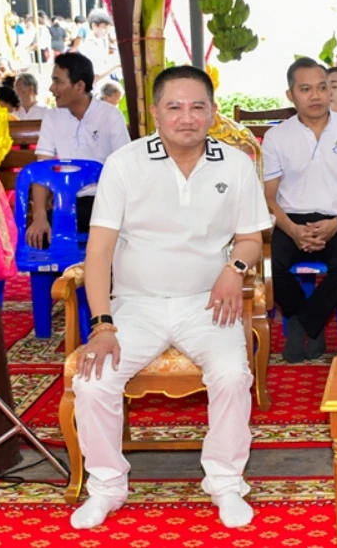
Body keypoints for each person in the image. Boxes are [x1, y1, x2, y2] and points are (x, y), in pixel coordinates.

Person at [70, 65, 271, 531]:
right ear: (155, 113)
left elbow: (250, 240)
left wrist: (233, 269)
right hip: (135, 305)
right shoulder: (125, 163)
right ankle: (106, 485)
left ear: (212, 113)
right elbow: (99, 251)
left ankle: (224, 481)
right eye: (174, 107)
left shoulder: (235, 164)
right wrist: (102, 324)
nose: (187, 117)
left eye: (198, 106)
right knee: (93, 381)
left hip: (208, 303)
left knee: (230, 374)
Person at [264, 58, 337, 363]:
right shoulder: (276, 137)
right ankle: (310, 326)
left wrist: (336, 223)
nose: (315, 96)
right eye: (305, 89)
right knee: (272, 263)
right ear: (290, 95)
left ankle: (302, 325)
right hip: (290, 219)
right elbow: (269, 198)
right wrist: (293, 230)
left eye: (322, 88)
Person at [25, 53, 131, 249]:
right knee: (39, 235)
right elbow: (42, 169)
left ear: (79, 86)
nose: (51, 88)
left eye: (57, 82)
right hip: (67, 203)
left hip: (105, 202)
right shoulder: (53, 117)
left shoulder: (110, 116)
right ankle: (59, 280)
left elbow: (126, 170)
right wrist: (39, 215)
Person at [77, 10, 120, 82]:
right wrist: (116, 65)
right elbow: (96, 75)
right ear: (94, 26)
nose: (106, 31)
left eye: (108, 28)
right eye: (104, 27)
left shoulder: (103, 39)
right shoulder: (87, 46)